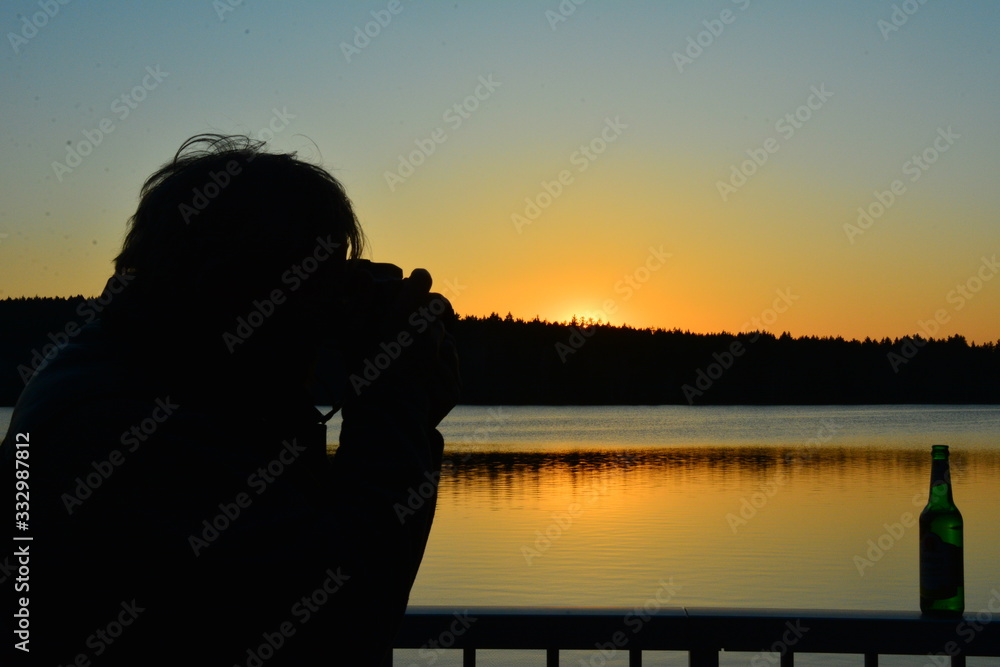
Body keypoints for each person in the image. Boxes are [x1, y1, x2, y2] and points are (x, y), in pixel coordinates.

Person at [0, 134, 460, 666]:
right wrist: (395, 396)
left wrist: (394, 400)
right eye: (315, 282)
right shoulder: (129, 429)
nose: (329, 312)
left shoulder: (133, 375)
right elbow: (338, 625)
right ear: (227, 284)